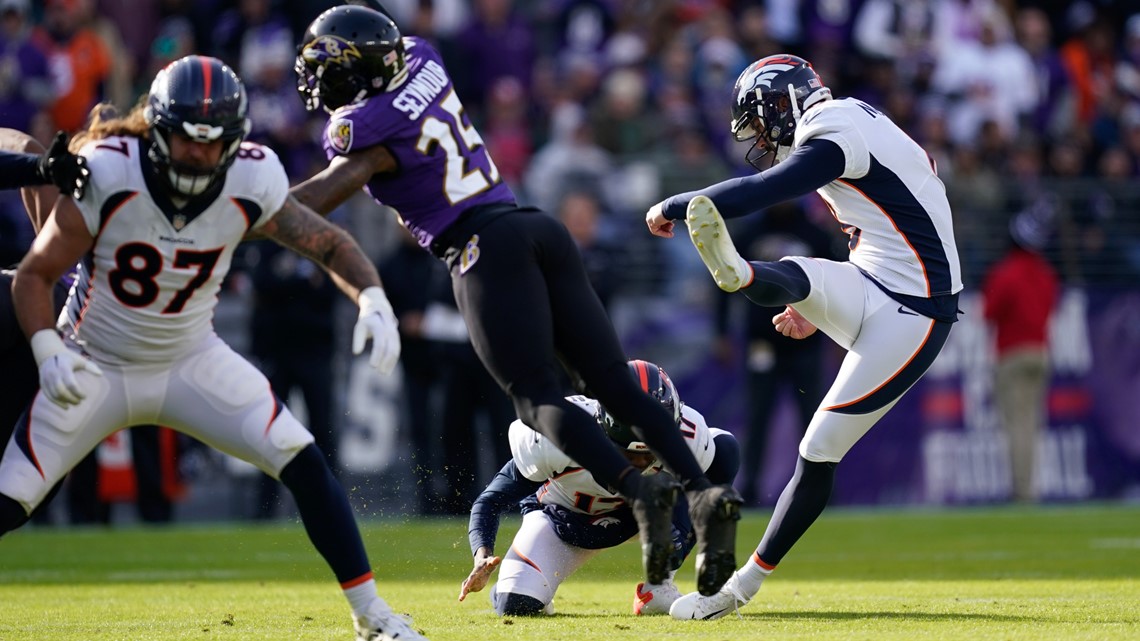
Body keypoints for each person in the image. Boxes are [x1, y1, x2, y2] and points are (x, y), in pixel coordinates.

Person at [290, 4, 741, 596]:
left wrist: (245, 204)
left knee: (536, 399)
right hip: (533, 223)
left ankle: (641, 494)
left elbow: (323, 191)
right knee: (608, 377)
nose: (320, 81)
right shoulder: (423, 55)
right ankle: (704, 494)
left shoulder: (354, 130)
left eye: (326, 67)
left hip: (479, 247)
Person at [0, 56, 424, 641]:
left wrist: (371, 296)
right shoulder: (106, 168)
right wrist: (48, 349)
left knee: (301, 459)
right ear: (156, 129)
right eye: (186, 140)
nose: (200, 155)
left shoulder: (253, 176)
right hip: (93, 360)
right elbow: (34, 273)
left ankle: (372, 617)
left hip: (190, 359)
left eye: (213, 142)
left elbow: (327, 243)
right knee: (9, 500)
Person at [644, 54, 962, 618]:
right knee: (794, 270)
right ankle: (742, 273)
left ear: (784, 102)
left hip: (916, 312)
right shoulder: (853, 118)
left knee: (817, 450)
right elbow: (886, 223)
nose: (762, 135)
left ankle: (735, 591)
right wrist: (818, 307)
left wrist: (676, 204)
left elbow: (767, 188)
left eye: (762, 120)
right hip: (876, 278)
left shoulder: (835, 130)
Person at [458, 360, 740, 616]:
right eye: (628, 455)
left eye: (650, 452)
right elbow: (491, 500)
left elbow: (710, 476)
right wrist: (481, 557)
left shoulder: (690, 437)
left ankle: (658, 587)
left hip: (641, 516)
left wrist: (680, 529)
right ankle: (527, 585)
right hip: (564, 521)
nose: (641, 463)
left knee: (724, 449)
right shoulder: (558, 434)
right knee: (515, 604)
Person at [982, 210, 1058, 503]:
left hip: (1012, 354)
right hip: (1040, 351)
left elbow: (989, 312)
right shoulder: (1046, 272)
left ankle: (1023, 492)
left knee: (1017, 426)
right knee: (1031, 424)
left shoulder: (1006, 272)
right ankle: (1029, 487)